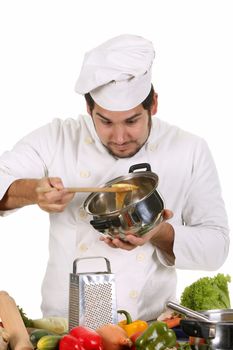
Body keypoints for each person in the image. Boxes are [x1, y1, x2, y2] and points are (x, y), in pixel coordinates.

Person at [0, 34, 229, 321]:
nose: (119, 138)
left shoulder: (189, 149)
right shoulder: (58, 137)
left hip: (148, 330)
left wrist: (158, 232)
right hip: (66, 332)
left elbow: (216, 247)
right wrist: (33, 191)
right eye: (105, 121)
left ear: (153, 105)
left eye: (132, 121)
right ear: (89, 110)